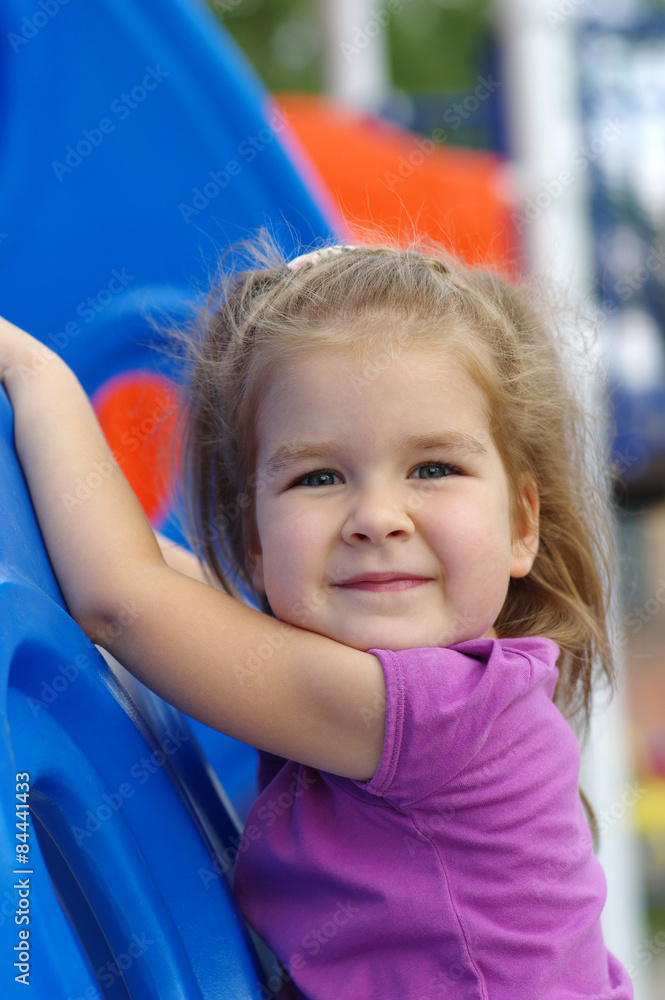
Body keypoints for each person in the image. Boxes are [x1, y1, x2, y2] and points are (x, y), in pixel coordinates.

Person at [0, 240, 633, 999]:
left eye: (432, 467)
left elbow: (122, 601)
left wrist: (36, 375)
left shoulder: (438, 712)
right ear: (256, 548)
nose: (376, 516)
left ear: (521, 524)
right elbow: (139, 575)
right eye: (319, 476)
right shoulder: (411, 695)